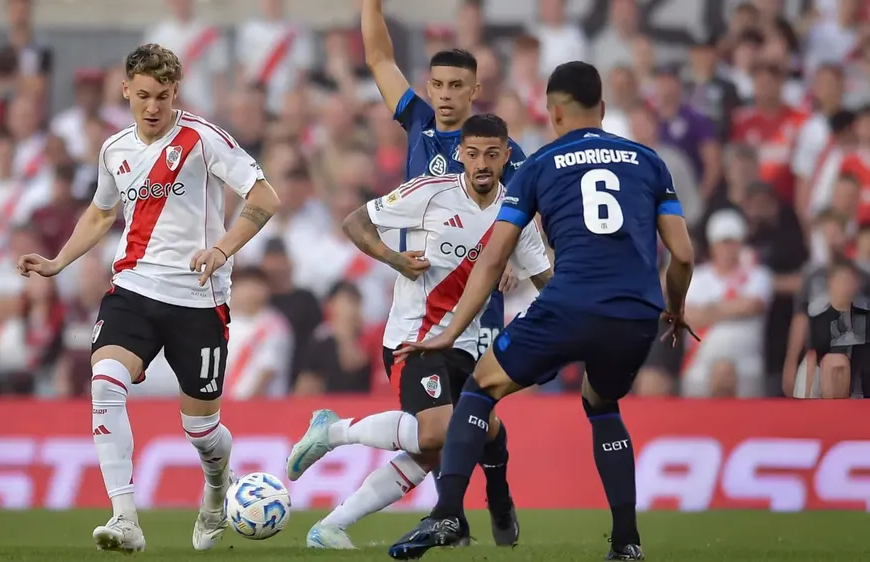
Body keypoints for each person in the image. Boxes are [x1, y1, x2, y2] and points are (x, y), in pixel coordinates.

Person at [387, 62, 696, 561]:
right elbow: (682, 255)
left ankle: (446, 513)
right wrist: (675, 309)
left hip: (569, 303)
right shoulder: (649, 161)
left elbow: (491, 259)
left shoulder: (539, 165)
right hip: (636, 312)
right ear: (603, 108)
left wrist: (449, 333)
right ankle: (626, 542)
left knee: (482, 387)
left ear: (554, 114)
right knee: (601, 402)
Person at [15, 43, 280, 553]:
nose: (152, 107)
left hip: (198, 300)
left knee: (201, 430)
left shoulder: (204, 139)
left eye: (162, 96)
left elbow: (265, 197)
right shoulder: (115, 149)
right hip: (133, 289)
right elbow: (99, 215)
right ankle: (125, 518)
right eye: (142, 96)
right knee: (105, 381)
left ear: (176, 92)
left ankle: (217, 490)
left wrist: (222, 249)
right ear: (125, 91)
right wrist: (58, 263)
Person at [287, 114, 552, 549]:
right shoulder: (430, 194)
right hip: (416, 337)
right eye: (473, 154)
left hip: (467, 348)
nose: (482, 162)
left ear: (506, 156)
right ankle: (334, 431)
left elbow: (547, 282)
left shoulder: (517, 215)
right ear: (461, 156)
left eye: (492, 153)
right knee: (437, 434)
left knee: (447, 445)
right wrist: (393, 258)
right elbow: (355, 221)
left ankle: (331, 526)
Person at [359, 0, 525, 541]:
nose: (447, 95)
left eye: (458, 85)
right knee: (442, 420)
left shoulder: (503, 150)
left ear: (475, 90)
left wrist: (510, 258)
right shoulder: (419, 123)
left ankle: (494, 495)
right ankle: (454, 514)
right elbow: (379, 56)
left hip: (477, 304)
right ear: (429, 90)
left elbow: (531, 214)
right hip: (420, 299)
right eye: (439, 85)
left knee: (483, 419)